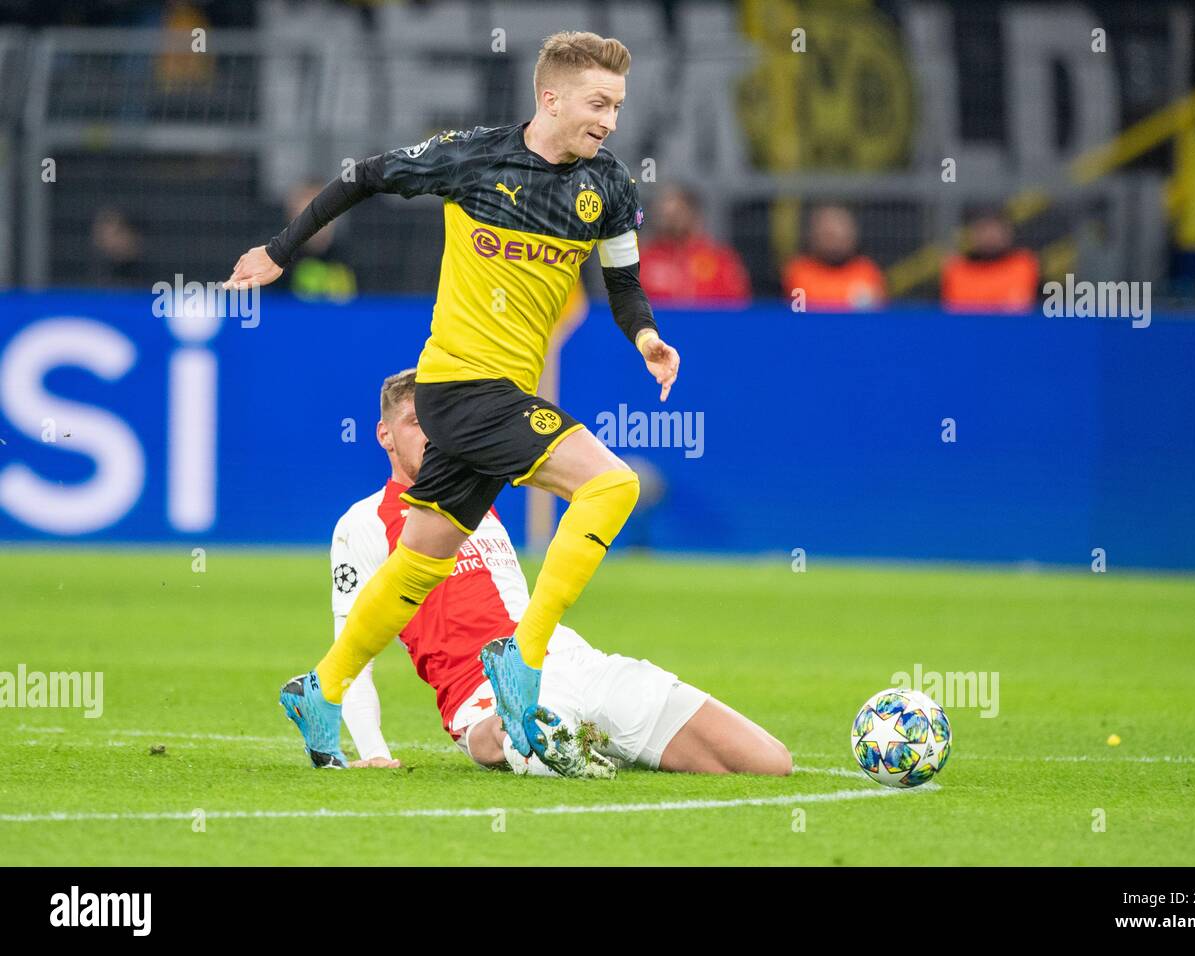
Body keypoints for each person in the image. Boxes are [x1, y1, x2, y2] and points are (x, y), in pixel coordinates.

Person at [224, 31, 681, 774]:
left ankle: (322, 686)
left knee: (417, 564)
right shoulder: (475, 156)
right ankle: (522, 658)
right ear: (551, 97)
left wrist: (647, 339)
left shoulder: (610, 185)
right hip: (463, 387)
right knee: (611, 483)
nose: (610, 120)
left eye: (619, 106)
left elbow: (623, 285)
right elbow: (367, 175)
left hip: (492, 399)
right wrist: (281, 250)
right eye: (599, 103)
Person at [335, 370, 792, 777]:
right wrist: (373, 750)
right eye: (416, 423)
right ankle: (529, 737)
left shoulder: (476, 500)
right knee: (527, 736)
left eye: (438, 423)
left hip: (572, 660)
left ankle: (580, 740)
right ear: (385, 435)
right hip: (483, 690)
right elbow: (352, 651)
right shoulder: (365, 522)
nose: (431, 436)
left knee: (769, 762)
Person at [638, 185, 752, 305]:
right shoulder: (642, 261)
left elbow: (739, 305)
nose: (670, 222)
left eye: (676, 214)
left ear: (693, 213)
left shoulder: (720, 259)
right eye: (664, 216)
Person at [782, 203, 886, 310]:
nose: (833, 240)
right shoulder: (798, 271)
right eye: (827, 234)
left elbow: (876, 311)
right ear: (813, 235)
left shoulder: (867, 271)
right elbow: (799, 310)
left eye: (838, 232)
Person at [940, 207, 1039, 313]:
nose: (989, 235)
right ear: (972, 234)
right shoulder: (956, 269)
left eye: (995, 229)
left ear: (1008, 233)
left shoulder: (1025, 264)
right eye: (983, 229)